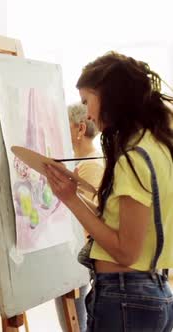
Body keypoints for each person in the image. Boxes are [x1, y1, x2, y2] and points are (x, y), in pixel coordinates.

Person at [46, 51, 173, 331]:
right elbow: (121, 225)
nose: (88, 114)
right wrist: (74, 193)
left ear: (110, 96)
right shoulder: (158, 146)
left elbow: (126, 251)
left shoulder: (135, 157)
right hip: (149, 294)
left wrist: (70, 200)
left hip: (126, 298)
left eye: (86, 101)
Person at [54, 103, 104, 331]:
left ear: (80, 129)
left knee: (77, 322)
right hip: (73, 251)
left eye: (65, 125)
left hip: (79, 252)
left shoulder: (90, 165)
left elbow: (83, 215)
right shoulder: (80, 161)